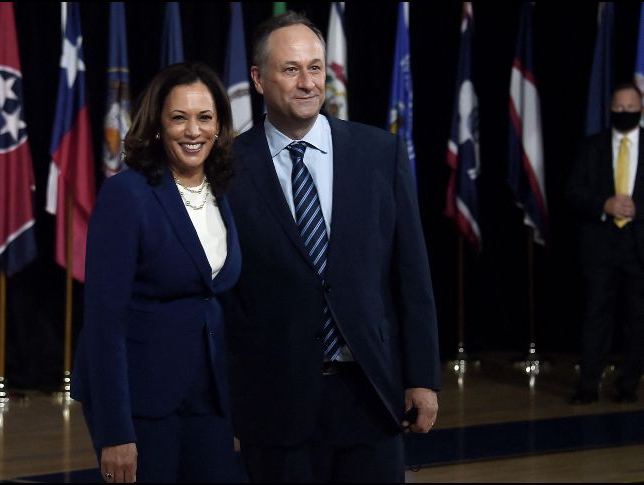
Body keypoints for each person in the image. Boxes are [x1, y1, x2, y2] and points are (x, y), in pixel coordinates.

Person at [222, 11, 441, 482]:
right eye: (291, 69)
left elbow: (412, 275)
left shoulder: (380, 153)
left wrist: (422, 378)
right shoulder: (227, 169)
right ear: (258, 79)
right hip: (276, 405)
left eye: (315, 68)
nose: (307, 83)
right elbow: (227, 298)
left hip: (371, 395)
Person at [71, 62, 245, 483]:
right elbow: (104, 319)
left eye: (205, 117)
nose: (193, 131)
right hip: (142, 400)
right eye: (179, 117)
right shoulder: (127, 194)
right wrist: (116, 431)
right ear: (157, 124)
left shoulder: (223, 191)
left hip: (208, 395)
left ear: (219, 125)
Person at [567, 82, 644, 405]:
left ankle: (628, 384)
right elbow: (573, 191)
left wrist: (638, 208)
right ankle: (589, 384)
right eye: (619, 108)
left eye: (631, 108)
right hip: (600, 247)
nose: (624, 113)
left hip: (638, 247)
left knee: (638, 319)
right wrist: (605, 204)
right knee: (596, 316)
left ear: (640, 109)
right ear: (610, 109)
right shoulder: (592, 146)